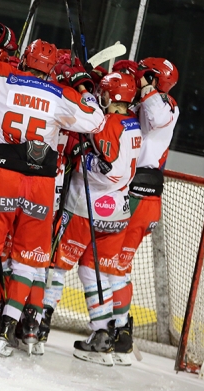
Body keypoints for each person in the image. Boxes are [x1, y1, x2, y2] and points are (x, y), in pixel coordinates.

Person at [0, 24, 107, 356]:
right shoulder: (61, 95)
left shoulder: (4, 78)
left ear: (25, 60)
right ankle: (8, 326)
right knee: (28, 259)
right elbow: (96, 121)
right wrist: (82, 85)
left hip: (5, 173)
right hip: (42, 184)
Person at [42, 70, 141, 365]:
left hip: (87, 208)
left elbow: (109, 169)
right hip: (117, 212)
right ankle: (103, 334)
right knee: (93, 272)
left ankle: (41, 321)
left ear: (109, 97)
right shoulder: (133, 124)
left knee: (57, 264)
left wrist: (83, 156)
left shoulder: (109, 123)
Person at [112, 57, 179, 365]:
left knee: (115, 264)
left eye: (144, 73)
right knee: (110, 262)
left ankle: (118, 332)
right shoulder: (146, 103)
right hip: (131, 191)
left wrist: (145, 85)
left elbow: (158, 115)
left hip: (141, 195)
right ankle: (116, 330)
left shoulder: (165, 106)